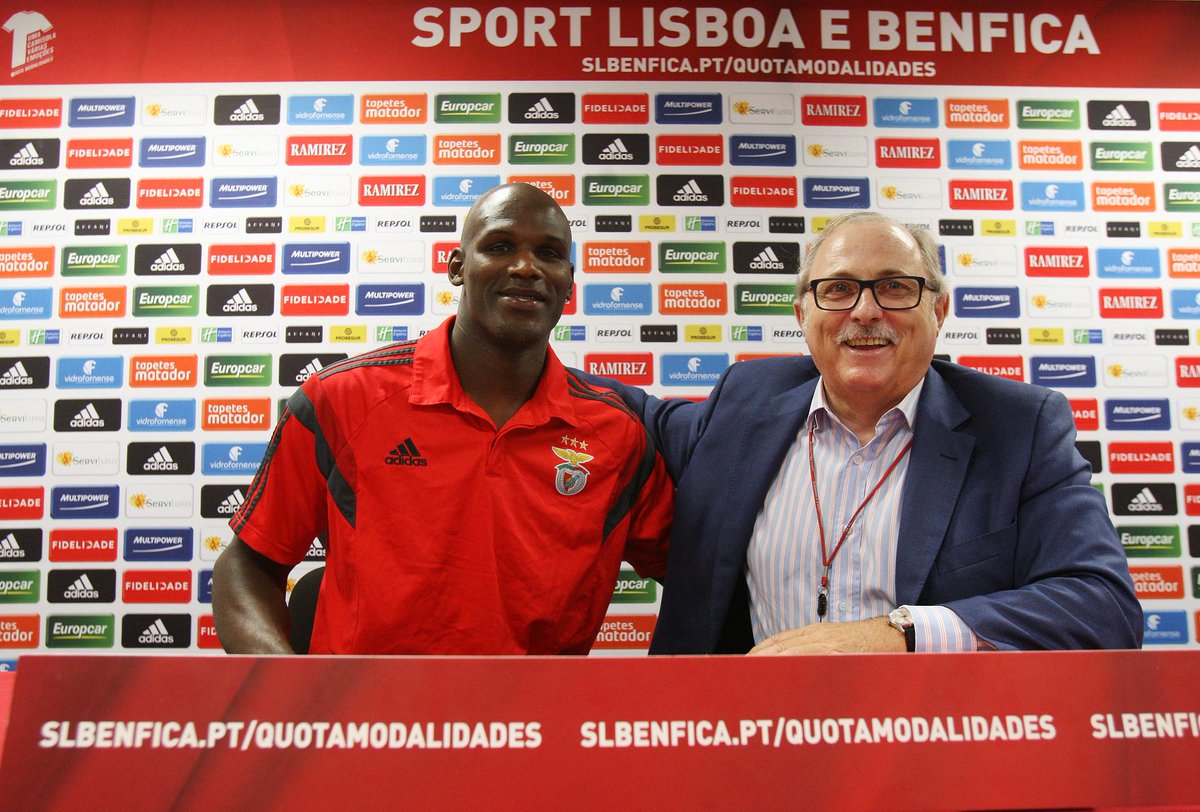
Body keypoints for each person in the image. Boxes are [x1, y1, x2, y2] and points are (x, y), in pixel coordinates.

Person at [603, 211, 1141, 654]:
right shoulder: (744, 403)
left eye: (894, 287)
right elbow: (622, 412)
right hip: (752, 732)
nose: (864, 311)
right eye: (838, 289)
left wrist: (899, 635)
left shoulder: (1018, 427)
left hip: (934, 735)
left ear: (939, 309)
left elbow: (1101, 605)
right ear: (802, 313)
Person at [212, 182, 673, 655]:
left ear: (569, 282)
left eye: (549, 254)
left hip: (536, 705)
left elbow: (696, 575)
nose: (526, 267)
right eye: (500, 246)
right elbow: (248, 565)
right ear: (457, 267)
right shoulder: (341, 400)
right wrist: (281, 682)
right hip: (365, 702)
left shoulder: (617, 433)